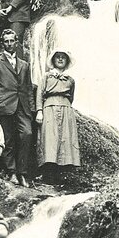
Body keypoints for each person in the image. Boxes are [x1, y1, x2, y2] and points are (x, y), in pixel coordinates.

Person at [0, 29, 36, 187]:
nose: (9, 44)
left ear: (17, 42)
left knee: (26, 134)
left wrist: (33, 109)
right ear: (3, 44)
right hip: (5, 104)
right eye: (6, 41)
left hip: (22, 105)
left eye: (12, 41)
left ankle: (22, 173)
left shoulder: (25, 65)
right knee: (8, 139)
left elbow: (29, 89)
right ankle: (12, 172)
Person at [36, 50, 81, 178]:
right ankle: (49, 173)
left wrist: (65, 105)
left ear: (66, 61)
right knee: (50, 139)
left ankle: (63, 174)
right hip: (49, 107)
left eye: (63, 58)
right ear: (53, 60)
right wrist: (39, 111)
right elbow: (39, 94)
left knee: (65, 139)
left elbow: (71, 97)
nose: (60, 59)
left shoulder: (70, 80)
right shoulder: (46, 77)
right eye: (58, 57)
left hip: (66, 109)